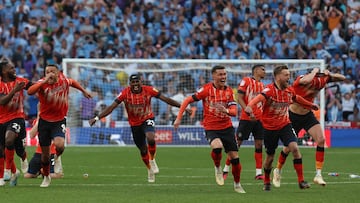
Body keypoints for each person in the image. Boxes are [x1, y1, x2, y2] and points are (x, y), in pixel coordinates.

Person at [89, 74, 189, 183]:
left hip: (147, 118)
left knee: (151, 138)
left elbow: (166, 99)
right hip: (134, 125)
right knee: (142, 150)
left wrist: (182, 107)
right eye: (133, 82)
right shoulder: (125, 93)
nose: (135, 84)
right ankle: (149, 169)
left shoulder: (149, 90)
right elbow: (112, 107)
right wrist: (97, 117)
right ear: (130, 84)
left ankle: (152, 160)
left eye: (137, 82)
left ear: (141, 82)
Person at [245, 65, 318, 191]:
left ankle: (301, 181)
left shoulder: (289, 90)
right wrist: (249, 106)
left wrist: (310, 105)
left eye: (289, 75)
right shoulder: (269, 90)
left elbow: (296, 98)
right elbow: (257, 99)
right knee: (270, 158)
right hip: (269, 128)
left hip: (285, 125)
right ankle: (267, 181)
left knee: (294, 148)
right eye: (286, 75)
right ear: (278, 77)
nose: (288, 78)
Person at [174, 65, 246, 194]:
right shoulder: (206, 90)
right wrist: (179, 118)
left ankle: (237, 184)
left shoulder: (229, 91)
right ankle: (218, 168)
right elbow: (186, 100)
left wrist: (226, 110)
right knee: (217, 146)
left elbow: (234, 112)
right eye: (220, 74)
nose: (223, 77)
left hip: (227, 128)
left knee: (235, 158)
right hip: (211, 127)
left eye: (224, 74)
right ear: (213, 76)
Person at [272, 67, 346, 187]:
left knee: (321, 140)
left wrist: (329, 74)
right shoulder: (301, 79)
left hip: (307, 116)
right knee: (288, 148)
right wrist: (314, 71)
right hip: (292, 116)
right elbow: (306, 81)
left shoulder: (321, 80)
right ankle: (278, 170)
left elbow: (343, 78)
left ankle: (318, 175)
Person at [27, 64, 92, 187]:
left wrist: (83, 91)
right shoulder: (42, 83)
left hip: (59, 120)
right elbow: (30, 91)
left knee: (60, 145)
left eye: (52, 71)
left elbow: (72, 82)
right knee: (45, 156)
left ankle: (57, 157)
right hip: (44, 122)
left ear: (58, 73)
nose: (50, 74)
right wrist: (44, 81)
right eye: (47, 72)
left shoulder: (63, 80)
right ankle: (46, 177)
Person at [223, 64, 266, 181]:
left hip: (259, 119)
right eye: (263, 70)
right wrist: (247, 110)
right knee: (237, 144)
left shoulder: (262, 85)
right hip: (246, 119)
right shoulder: (246, 81)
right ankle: (226, 168)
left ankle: (258, 173)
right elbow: (239, 98)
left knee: (258, 145)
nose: (265, 72)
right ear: (256, 71)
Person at [0, 60, 31, 186]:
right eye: (11, 68)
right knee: (1, 150)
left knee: (9, 141)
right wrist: (14, 90)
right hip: (1, 119)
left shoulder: (20, 81)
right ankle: (9, 174)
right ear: (4, 71)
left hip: (16, 117)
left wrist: (43, 87)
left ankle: (13, 166)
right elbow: (2, 101)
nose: (14, 70)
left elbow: (33, 86)